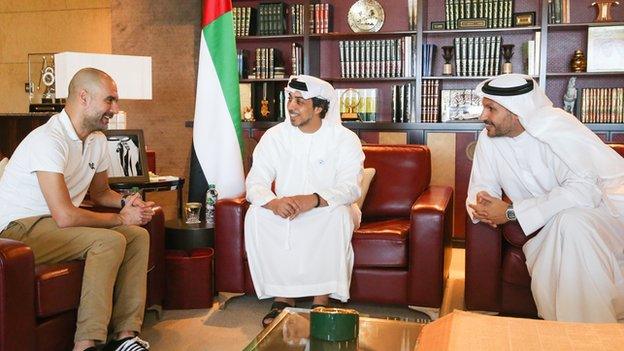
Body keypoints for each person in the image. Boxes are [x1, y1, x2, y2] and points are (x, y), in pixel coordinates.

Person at [0, 68, 155, 350]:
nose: (116, 108)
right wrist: (119, 218)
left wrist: (126, 203)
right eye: (110, 100)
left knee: (137, 236)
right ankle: (86, 344)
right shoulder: (48, 140)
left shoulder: (96, 140)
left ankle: (125, 335)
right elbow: (65, 215)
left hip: (53, 223)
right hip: (20, 228)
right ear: (83, 97)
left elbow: (100, 193)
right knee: (108, 241)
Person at [466, 73, 624, 323]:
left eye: (490, 108)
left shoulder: (557, 128)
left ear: (517, 112)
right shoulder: (490, 138)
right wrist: (485, 208)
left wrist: (511, 212)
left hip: (605, 218)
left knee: (572, 223)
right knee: (567, 224)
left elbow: (584, 192)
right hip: (550, 228)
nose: (482, 115)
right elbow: (482, 188)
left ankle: (587, 335)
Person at [244, 75, 364, 327]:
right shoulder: (275, 136)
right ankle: (283, 297)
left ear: (319, 107)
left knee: (338, 215)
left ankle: (321, 299)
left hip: (327, 207)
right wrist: (272, 203)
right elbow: (255, 183)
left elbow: (350, 187)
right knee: (256, 214)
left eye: (299, 100)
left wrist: (314, 199)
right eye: (289, 98)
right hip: (285, 206)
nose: (291, 106)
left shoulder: (344, 139)